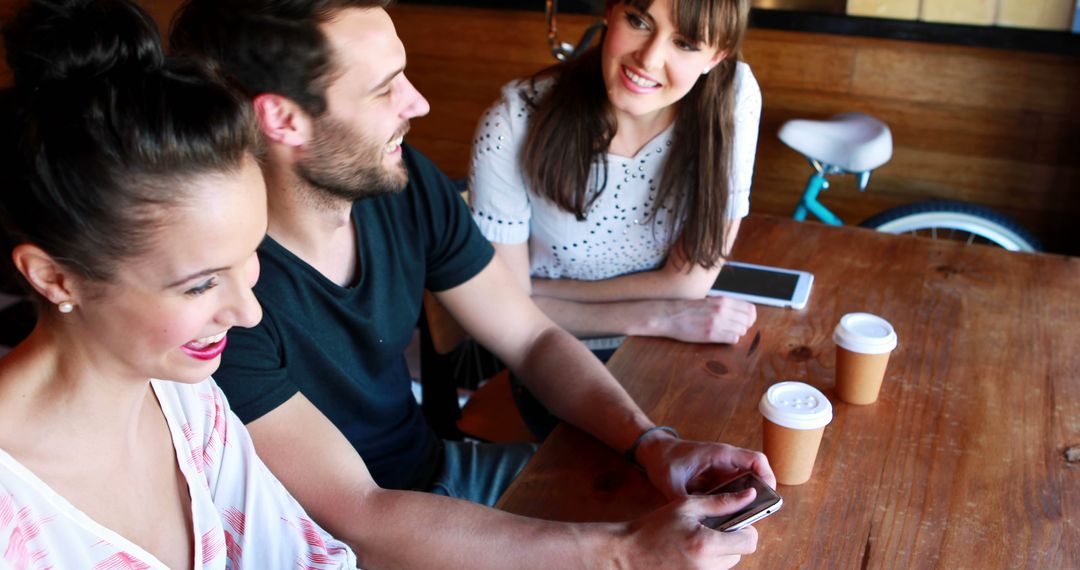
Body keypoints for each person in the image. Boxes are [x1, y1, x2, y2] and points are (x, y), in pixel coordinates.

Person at [171, 0, 775, 567]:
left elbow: (532, 339)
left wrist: (651, 446)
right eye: (386, 89)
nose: (418, 103)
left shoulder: (401, 183)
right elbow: (359, 517)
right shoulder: (222, 300)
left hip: (445, 476)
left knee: (706, 525)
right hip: (357, 547)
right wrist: (621, 551)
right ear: (282, 118)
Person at [0, 0, 355, 566]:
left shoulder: (187, 403)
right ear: (55, 278)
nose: (250, 313)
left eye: (249, 258)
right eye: (199, 285)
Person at [469, 0, 760, 437]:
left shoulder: (733, 96)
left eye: (684, 42)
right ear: (611, 11)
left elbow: (689, 283)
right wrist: (656, 316)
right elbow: (508, 314)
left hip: (674, 341)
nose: (649, 58)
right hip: (555, 355)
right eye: (639, 21)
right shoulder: (514, 122)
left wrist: (538, 293)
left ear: (716, 56)